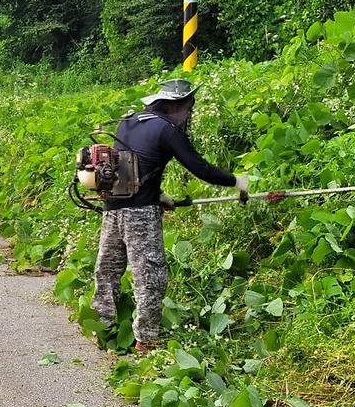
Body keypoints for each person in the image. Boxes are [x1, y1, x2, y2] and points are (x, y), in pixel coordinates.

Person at [91, 79, 249, 354]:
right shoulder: (167, 129)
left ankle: (101, 329)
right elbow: (201, 169)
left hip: (112, 210)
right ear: (176, 106)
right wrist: (237, 181)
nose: (188, 116)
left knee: (107, 271)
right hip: (139, 215)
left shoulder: (129, 121)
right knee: (150, 276)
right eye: (188, 109)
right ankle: (145, 341)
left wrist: (159, 194)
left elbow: (132, 165)